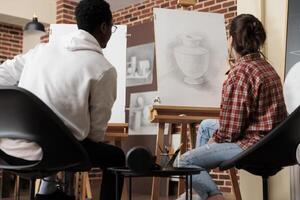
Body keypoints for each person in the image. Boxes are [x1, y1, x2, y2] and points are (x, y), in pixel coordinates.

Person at [0, 0, 125, 199]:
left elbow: (3, 74)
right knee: (115, 156)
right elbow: (95, 135)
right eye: (112, 27)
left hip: (8, 149)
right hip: (52, 153)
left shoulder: (40, 51)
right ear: (104, 27)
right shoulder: (103, 68)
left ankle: (47, 193)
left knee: (64, 137)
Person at [178, 14, 287, 200]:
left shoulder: (240, 73)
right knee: (205, 125)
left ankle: (213, 196)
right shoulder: (268, 67)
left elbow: (230, 131)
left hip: (253, 146)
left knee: (184, 162)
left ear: (231, 40)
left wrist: (214, 142)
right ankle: (200, 188)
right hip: (274, 144)